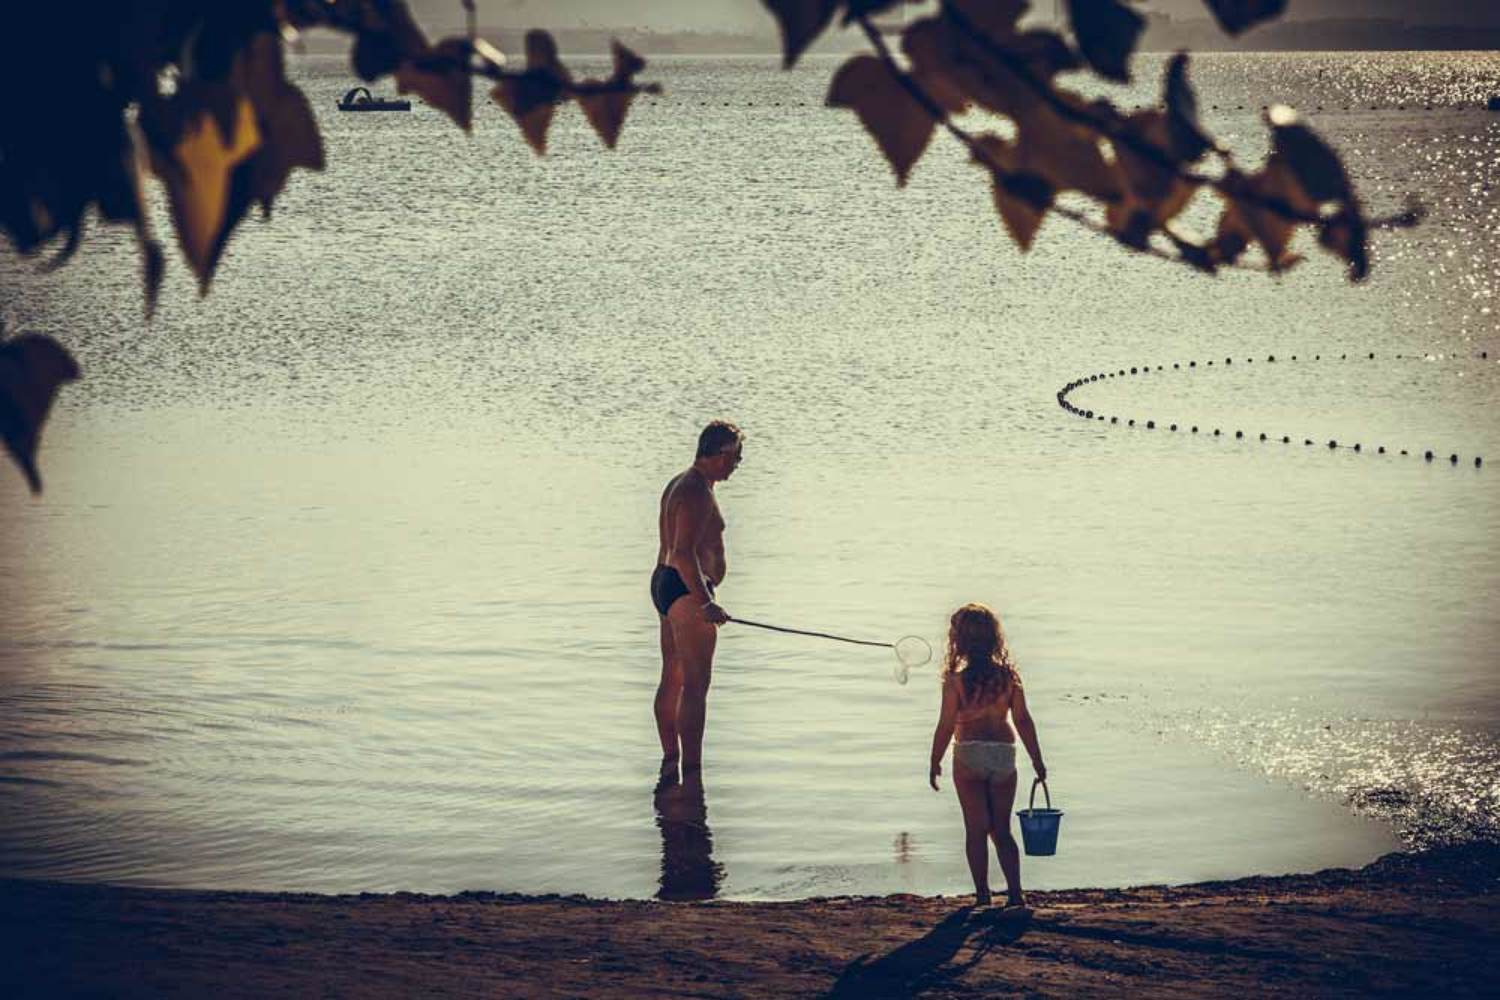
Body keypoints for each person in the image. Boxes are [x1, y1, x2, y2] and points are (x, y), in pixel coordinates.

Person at [928, 603, 1046, 908]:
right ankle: (1016, 894)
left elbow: (945, 725)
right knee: (1002, 830)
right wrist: (1037, 759)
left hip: (969, 753)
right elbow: (1023, 720)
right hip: (1003, 755)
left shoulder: (955, 681)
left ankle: (983, 895)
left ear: (958, 641)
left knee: (976, 830)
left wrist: (935, 760)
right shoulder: (1008, 677)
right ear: (994, 638)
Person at [651, 420, 744, 775]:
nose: (738, 464)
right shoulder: (696, 492)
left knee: (673, 676)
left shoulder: (683, 482)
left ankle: (670, 762)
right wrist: (705, 602)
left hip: (667, 584)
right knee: (694, 685)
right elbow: (682, 553)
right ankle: (690, 770)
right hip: (686, 589)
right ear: (720, 454)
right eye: (736, 457)